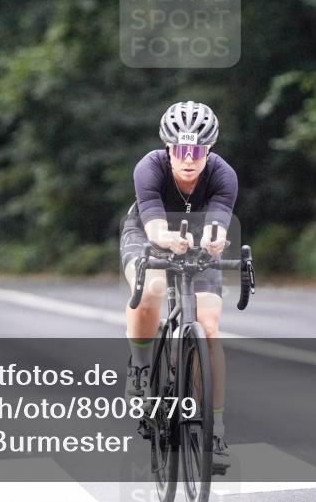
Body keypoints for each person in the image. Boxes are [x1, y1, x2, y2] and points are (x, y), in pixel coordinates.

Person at [120, 100, 237, 470]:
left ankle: (214, 425)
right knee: (152, 288)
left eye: (197, 151)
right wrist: (169, 242)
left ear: (209, 151)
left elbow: (219, 223)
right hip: (146, 234)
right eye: (181, 150)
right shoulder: (149, 168)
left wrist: (215, 241)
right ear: (169, 148)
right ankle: (140, 365)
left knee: (211, 327)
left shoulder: (223, 174)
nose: (189, 159)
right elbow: (154, 227)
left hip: (198, 241)